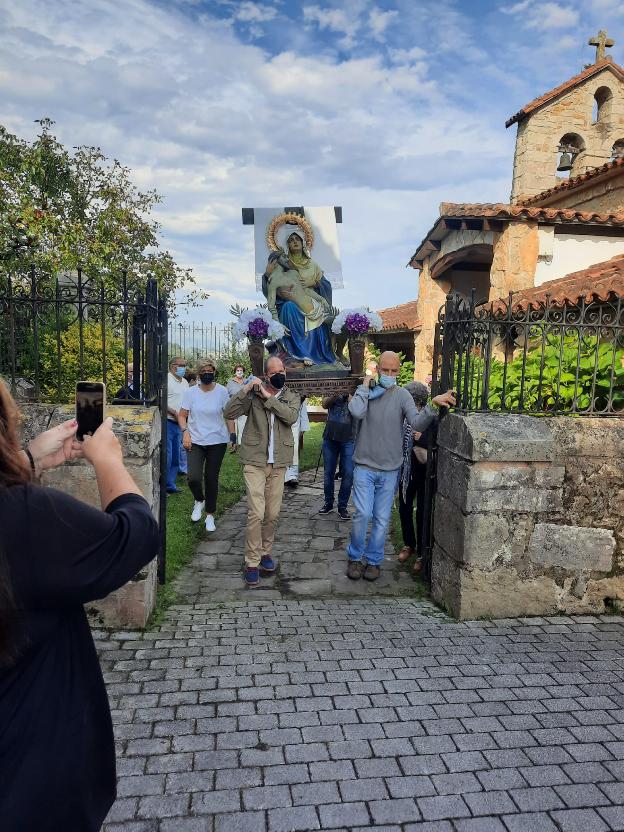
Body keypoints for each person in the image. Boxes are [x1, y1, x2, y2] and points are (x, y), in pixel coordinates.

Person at [0, 381, 159, 831]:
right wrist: (108, 458)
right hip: (30, 779)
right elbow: (134, 535)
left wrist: (26, 462)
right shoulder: (25, 515)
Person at [346, 351, 455, 582]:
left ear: (398, 371)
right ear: (377, 370)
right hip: (364, 465)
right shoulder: (366, 393)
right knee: (362, 514)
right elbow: (356, 411)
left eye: (394, 371)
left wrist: (433, 406)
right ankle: (355, 557)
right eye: (385, 370)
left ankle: (374, 561)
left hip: (390, 468)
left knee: (382, 518)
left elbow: (416, 422)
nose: (389, 374)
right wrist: (366, 385)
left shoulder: (403, 395)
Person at [223, 356, 300, 587]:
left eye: (282, 370)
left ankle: (266, 552)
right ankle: (252, 561)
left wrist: (269, 398)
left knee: (272, 514)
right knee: (256, 511)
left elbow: (290, 417)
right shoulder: (253, 395)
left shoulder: (291, 396)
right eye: (274, 371)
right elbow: (229, 412)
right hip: (255, 460)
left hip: (279, 463)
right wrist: (245, 388)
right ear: (266, 375)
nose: (279, 374)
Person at [262, 231, 337, 366]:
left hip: (312, 304)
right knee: (288, 307)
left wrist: (314, 284)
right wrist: (267, 274)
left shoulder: (312, 265)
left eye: (298, 239)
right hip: (291, 306)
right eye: (291, 240)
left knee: (334, 323)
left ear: (303, 243)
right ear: (287, 246)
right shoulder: (285, 267)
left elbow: (324, 284)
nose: (295, 242)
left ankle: (330, 354)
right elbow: (272, 295)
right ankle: (297, 353)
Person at [178, 359, 230, 532]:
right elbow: (182, 415)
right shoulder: (190, 393)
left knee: (211, 478)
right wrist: (185, 431)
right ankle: (199, 500)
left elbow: (228, 414)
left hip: (217, 441)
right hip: (195, 440)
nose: (208, 373)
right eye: (204, 371)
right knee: (193, 477)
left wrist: (233, 435)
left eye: (211, 370)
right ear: (199, 373)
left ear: (214, 372)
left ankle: (209, 515)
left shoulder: (222, 391)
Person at [398, 382, 433, 572]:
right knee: (404, 508)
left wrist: (421, 439)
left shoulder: (429, 418)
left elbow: (433, 444)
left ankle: (422, 553)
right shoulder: (404, 418)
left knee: (421, 514)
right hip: (406, 471)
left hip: (424, 474)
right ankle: (409, 544)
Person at [319, 392, 355, 520]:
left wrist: (350, 395)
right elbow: (324, 404)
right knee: (328, 472)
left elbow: (359, 410)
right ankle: (328, 503)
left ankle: (342, 506)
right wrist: (336, 394)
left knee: (349, 473)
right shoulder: (333, 385)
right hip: (330, 437)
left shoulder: (357, 387)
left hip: (349, 438)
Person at [166, 356, 188, 493]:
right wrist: (173, 412)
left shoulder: (185, 382)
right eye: (181, 365)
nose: (183, 368)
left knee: (176, 456)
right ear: (173, 366)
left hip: (180, 424)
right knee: (167, 456)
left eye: (185, 365)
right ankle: (163, 486)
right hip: (168, 421)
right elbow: (160, 400)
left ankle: (170, 484)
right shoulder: (166, 380)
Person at [285, 397, 310, 487]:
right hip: (281, 424)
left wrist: (303, 427)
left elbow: (302, 410)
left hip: (295, 425)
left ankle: (292, 476)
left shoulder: (298, 395)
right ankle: (284, 475)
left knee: (294, 450)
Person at [226, 363, 248, 453]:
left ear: (243, 372)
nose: (239, 372)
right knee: (233, 428)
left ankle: (242, 447)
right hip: (233, 407)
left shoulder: (247, 381)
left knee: (243, 427)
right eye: (237, 370)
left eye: (241, 370)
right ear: (235, 372)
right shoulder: (230, 382)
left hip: (244, 408)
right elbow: (227, 395)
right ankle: (233, 446)